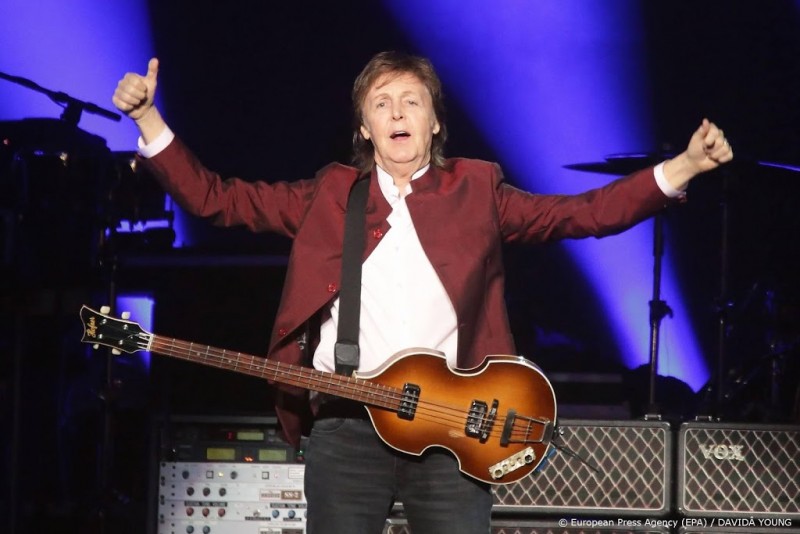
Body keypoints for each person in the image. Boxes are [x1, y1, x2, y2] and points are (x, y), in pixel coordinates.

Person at [112, 51, 733, 533]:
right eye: (382, 103)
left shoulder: (477, 189)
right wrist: (147, 118)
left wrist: (682, 167)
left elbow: (581, 213)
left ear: (434, 123)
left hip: (450, 432)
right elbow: (217, 200)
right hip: (346, 428)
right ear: (365, 127)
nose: (397, 113)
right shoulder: (330, 194)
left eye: (411, 101)